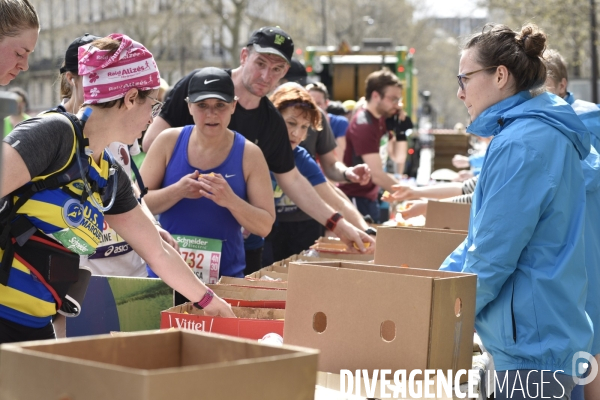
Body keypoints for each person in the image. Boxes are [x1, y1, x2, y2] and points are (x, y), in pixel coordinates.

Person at [0, 34, 234, 344]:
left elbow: (158, 252)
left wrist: (210, 302)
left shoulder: (107, 173)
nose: (152, 119)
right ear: (130, 98)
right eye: (153, 105)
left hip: (35, 323)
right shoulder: (53, 134)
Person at [439, 24, 592, 399]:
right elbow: (485, 237)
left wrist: (440, 310)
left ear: (501, 76)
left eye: (465, 78)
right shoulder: (536, 132)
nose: (460, 93)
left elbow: (492, 255)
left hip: (531, 347)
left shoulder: (521, 142)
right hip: (544, 333)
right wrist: (437, 282)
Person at [141, 26, 374, 259]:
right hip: (177, 237)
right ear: (244, 56)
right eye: (260, 64)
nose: (266, 76)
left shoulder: (271, 123)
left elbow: (293, 180)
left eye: (276, 69)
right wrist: (192, 177)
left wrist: (341, 226)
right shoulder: (200, 84)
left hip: (239, 246)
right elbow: (151, 144)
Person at [56, 33, 177, 278]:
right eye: (91, 75)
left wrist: (151, 225)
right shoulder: (53, 131)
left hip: (129, 267)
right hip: (81, 275)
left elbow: (125, 185)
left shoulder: (124, 125)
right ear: (72, 79)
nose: (99, 81)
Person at [141, 67, 274, 288]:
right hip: (164, 278)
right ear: (189, 106)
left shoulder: (250, 154)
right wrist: (178, 191)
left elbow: (264, 226)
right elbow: (137, 205)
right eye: (202, 105)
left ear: (233, 105)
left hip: (223, 281)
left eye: (220, 105)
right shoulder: (168, 141)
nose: (211, 114)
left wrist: (230, 200)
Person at [544, 48, 600, 400]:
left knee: (589, 338)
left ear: (562, 85)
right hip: (574, 241)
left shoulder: (584, 119)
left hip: (584, 239)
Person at [264, 83, 371, 263]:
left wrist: (368, 233)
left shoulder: (301, 156)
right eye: (291, 123)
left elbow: (334, 199)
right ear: (274, 116)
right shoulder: (251, 148)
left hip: (300, 227)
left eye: (305, 127)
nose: (296, 133)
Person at [340, 68, 404, 222]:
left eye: (399, 99)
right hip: (355, 199)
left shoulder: (380, 120)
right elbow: (376, 174)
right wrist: (410, 195)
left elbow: (398, 156)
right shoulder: (364, 125)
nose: (398, 105)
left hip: (370, 197)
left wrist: (401, 130)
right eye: (393, 99)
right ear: (376, 96)